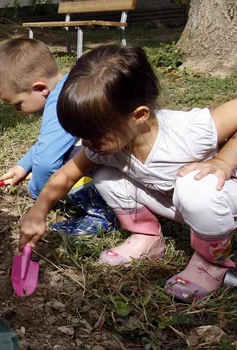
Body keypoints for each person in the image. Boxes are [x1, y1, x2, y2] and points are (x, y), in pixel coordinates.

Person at [18, 44, 237, 302]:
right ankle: (146, 235)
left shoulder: (188, 132)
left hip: (219, 198)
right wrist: (38, 212)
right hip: (178, 202)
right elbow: (65, 176)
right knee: (103, 175)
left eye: (93, 135)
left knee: (193, 187)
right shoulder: (105, 146)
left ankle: (211, 262)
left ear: (139, 115)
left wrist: (224, 161)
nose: (85, 143)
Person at [0, 38, 117, 236]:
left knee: (65, 160)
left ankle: (101, 215)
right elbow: (49, 143)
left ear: (40, 89)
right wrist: (23, 166)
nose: (17, 111)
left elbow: (47, 161)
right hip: (123, 157)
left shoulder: (60, 104)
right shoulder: (70, 84)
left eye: (18, 104)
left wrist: (37, 191)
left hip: (124, 170)